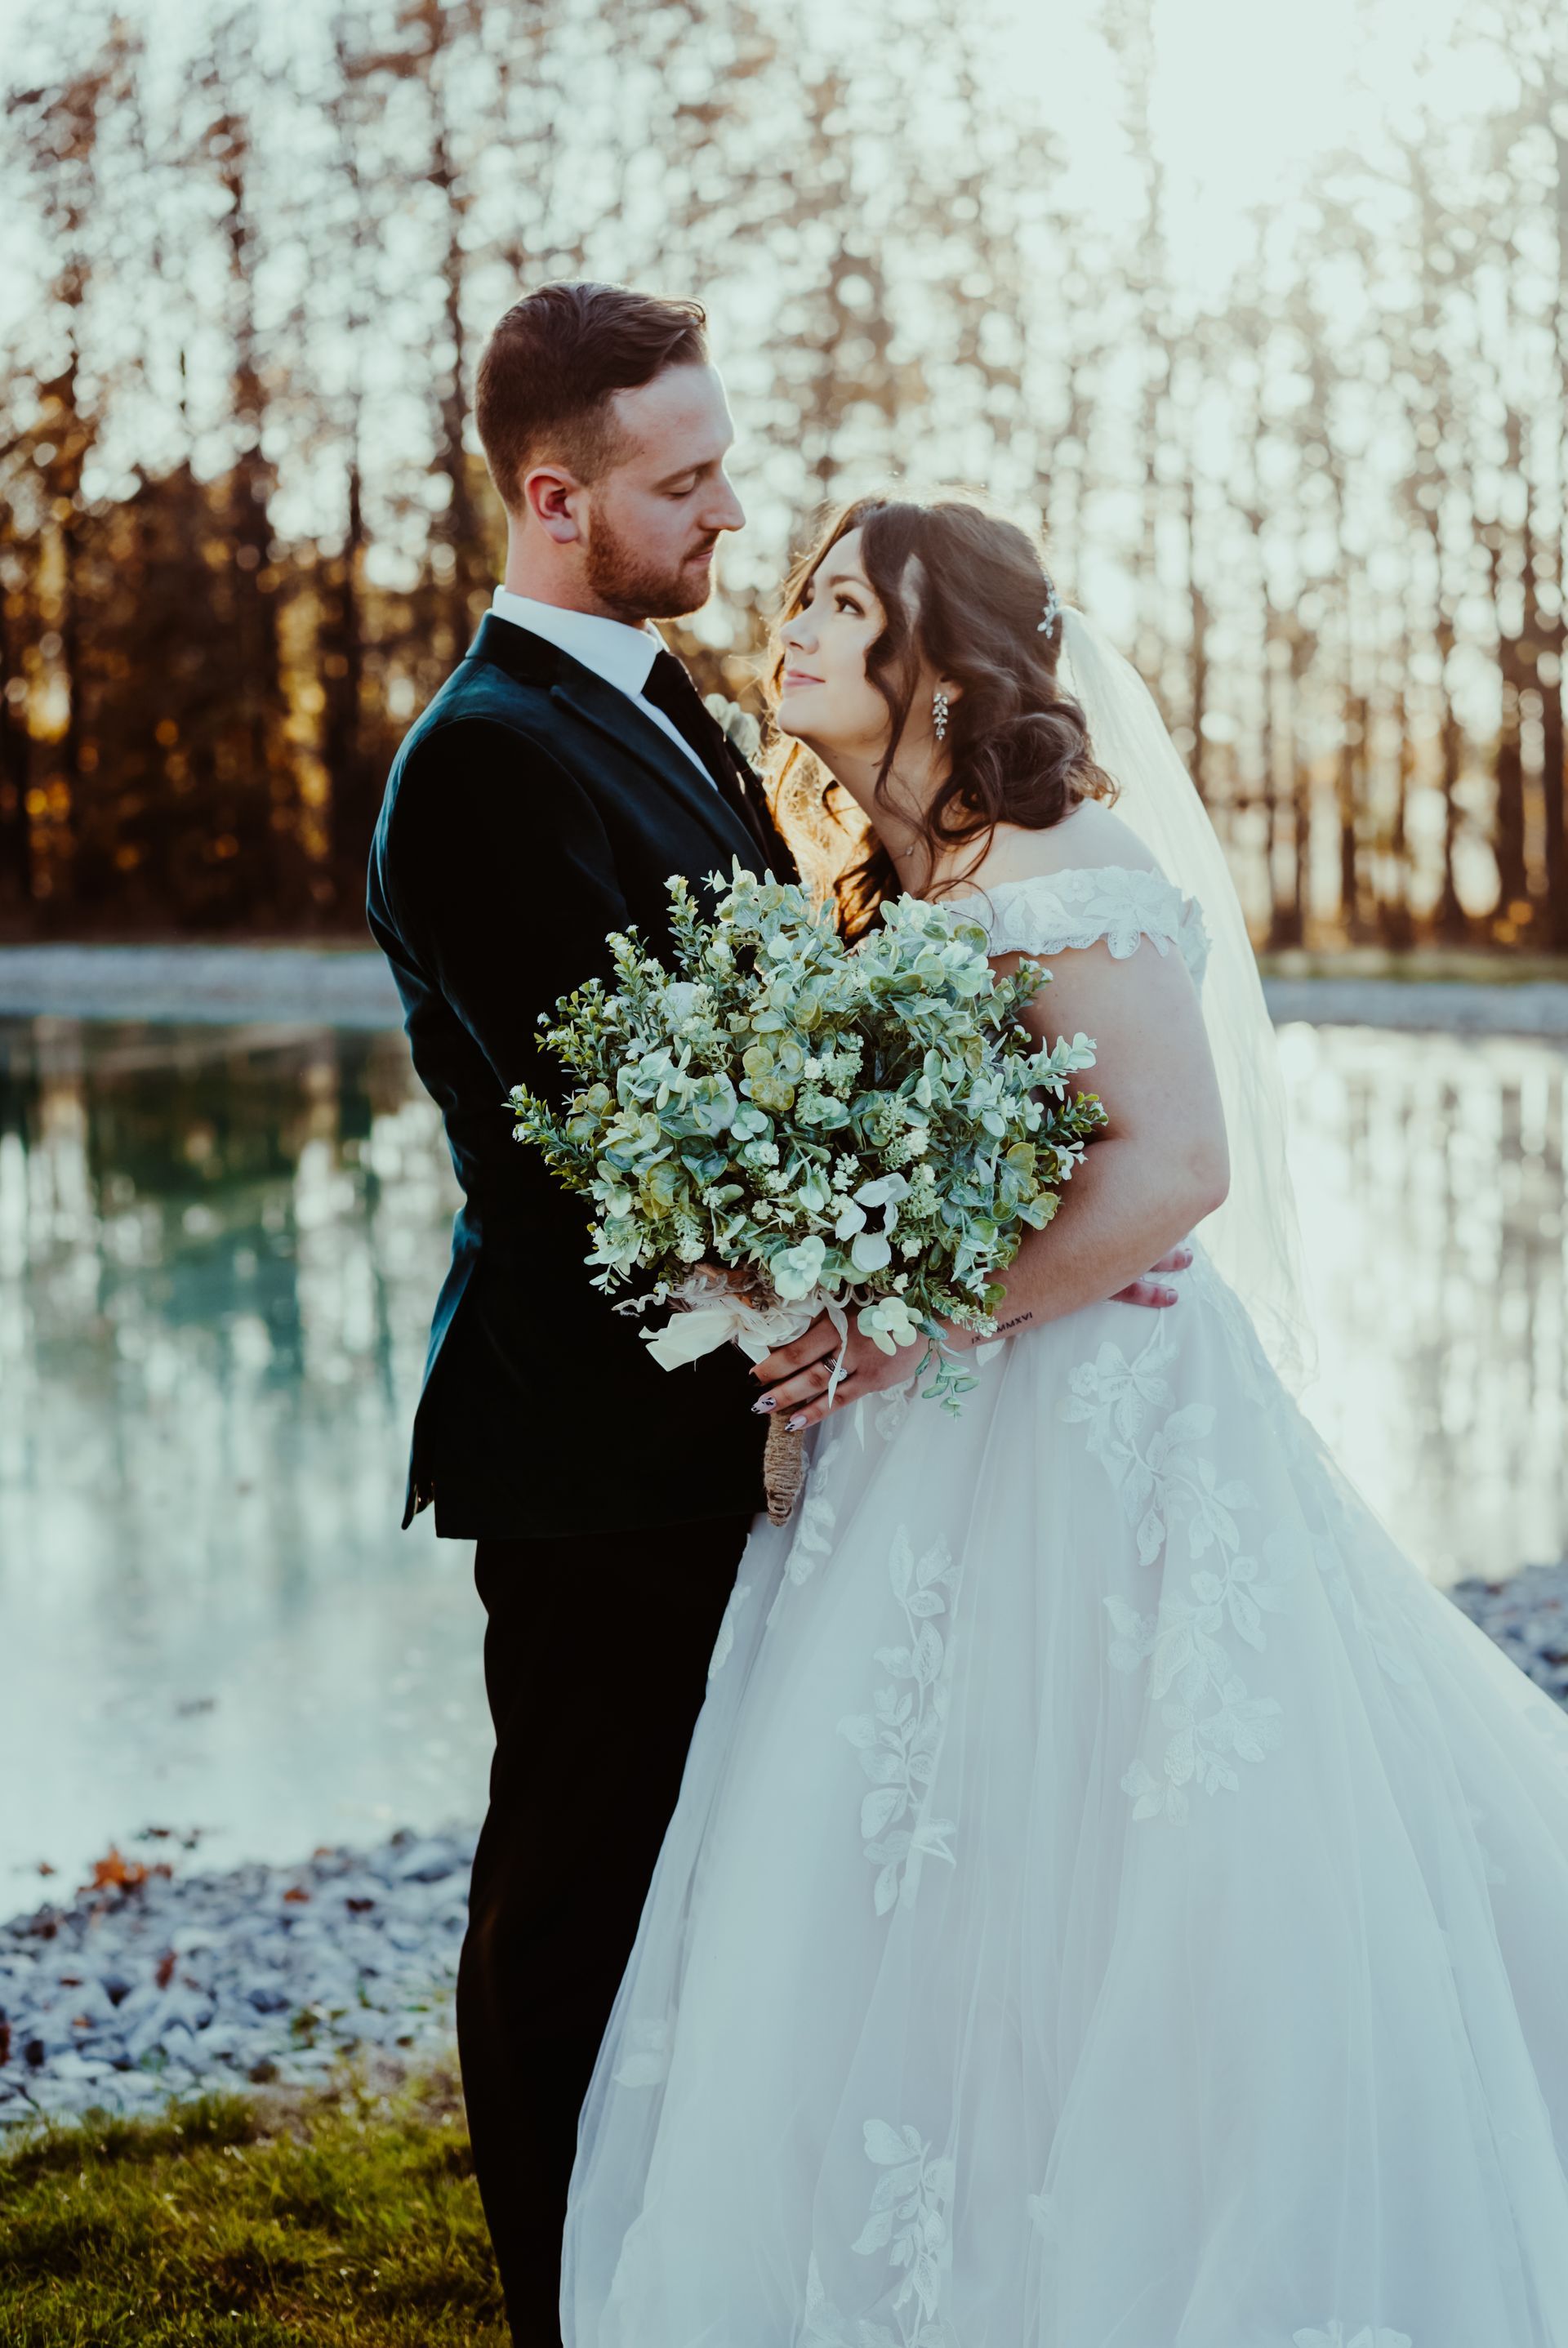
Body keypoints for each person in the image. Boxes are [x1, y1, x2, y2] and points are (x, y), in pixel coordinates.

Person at [560, 495, 1568, 2347]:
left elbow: (1176, 1164)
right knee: (921, 1848)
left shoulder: (1057, 851)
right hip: (939, 1420)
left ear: (937, 657)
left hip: (1092, 1417)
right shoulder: (900, 877)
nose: (791, 627)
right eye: (798, 596)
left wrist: (906, 1321)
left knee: (1128, 1837)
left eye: (840, 603)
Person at [366, 291, 1187, 2343]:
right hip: (591, 1439)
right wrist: (862, 1303)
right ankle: (573, 2289)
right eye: (687, 480)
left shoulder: (655, 701)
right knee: (575, 1900)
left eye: (725, 463)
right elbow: (613, 1136)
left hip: (760, 1416)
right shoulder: (480, 760)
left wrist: (993, 1234)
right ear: (557, 500)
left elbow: (799, 1055)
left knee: (715, 1884)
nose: (733, 509)